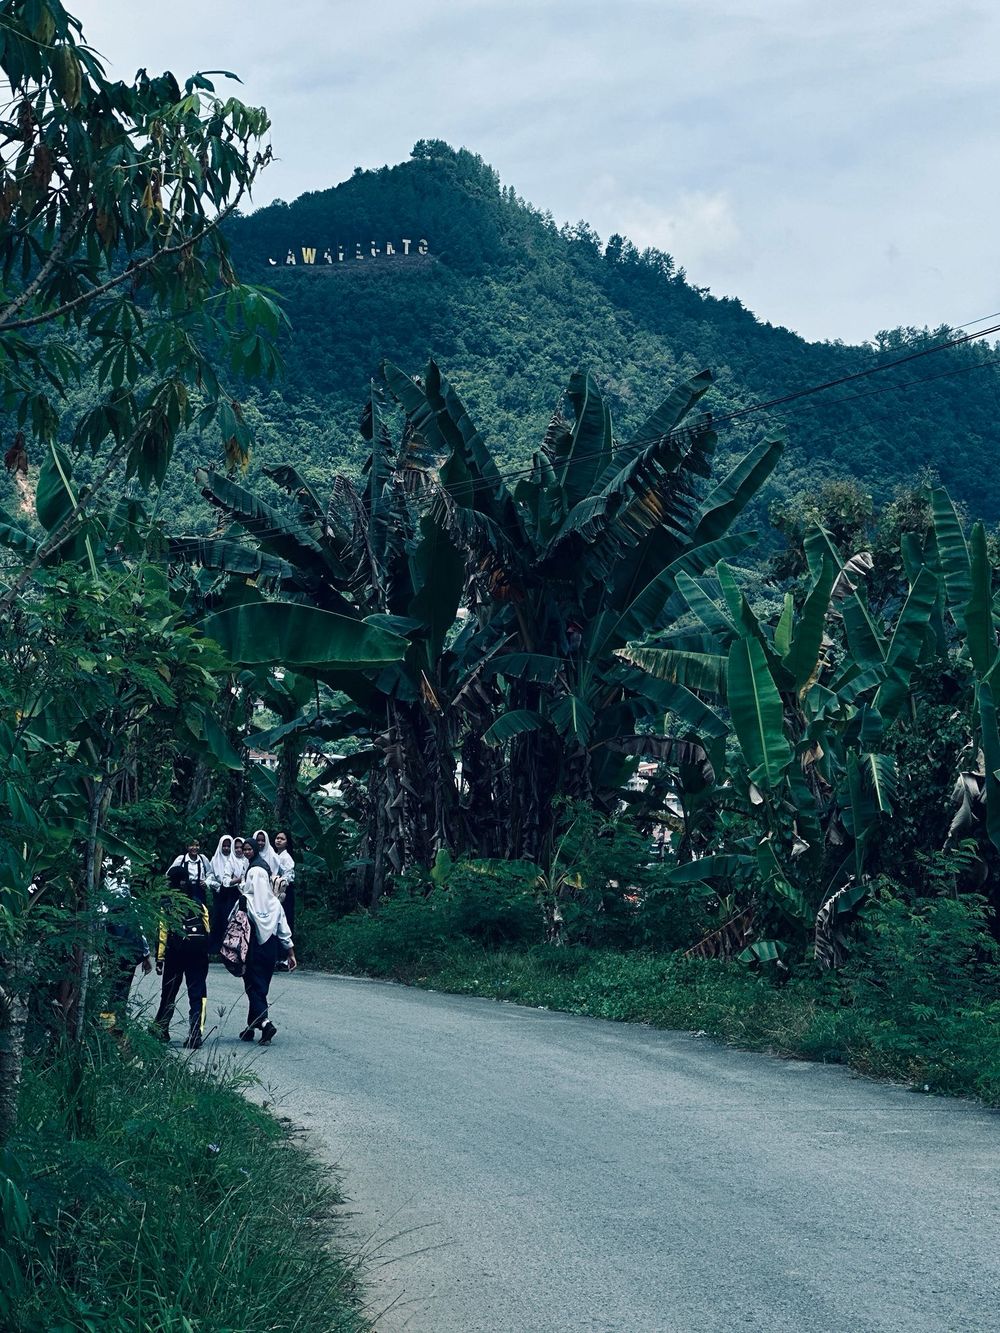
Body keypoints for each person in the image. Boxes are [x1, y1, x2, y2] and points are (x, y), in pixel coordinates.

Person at [153, 839, 214, 1049]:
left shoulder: (167, 905)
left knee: (169, 991)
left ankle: (161, 1029)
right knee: (198, 993)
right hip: (198, 953)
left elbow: (163, 932)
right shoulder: (198, 904)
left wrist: (160, 958)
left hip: (175, 952)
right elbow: (207, 929)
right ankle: (196, 1032)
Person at [239, 843, 297, 1045]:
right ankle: (250, 1028)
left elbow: (234, 924)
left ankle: (265, 1024)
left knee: (253, 987)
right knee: (261, 987)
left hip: (251, 948)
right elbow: (284, 930)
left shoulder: (245, 901)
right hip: (270, 949)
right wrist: (291, 953)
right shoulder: (275, 903)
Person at [102, 880, 152, 1029]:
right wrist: (146, 955)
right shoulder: (132, 906)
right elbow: (140, 931)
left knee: (109, 991)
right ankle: (120, 1027)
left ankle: (108, 1027)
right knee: (123, 991)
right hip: (130, 955)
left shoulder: (104, 907)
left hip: (111, 956)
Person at [209, 833, 244, 949]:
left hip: (235, 892)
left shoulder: (235, 859)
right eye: (224, 846)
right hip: (220, 892)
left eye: (229, 846)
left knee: (231, 918)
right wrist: (217, 886)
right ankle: (216, 946)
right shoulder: (215, 860)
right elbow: (211, 875)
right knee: (218, 918)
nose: (226, 848)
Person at [272, 830, 296, 969]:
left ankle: (286, 958)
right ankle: (277, 957)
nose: (279, 840)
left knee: (285, 922)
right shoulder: (274, 856)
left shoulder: (287, 858)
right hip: (275, 892)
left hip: (285, 892)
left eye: (282, 839)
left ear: (287, 842)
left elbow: (288, 876)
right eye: (277, 838)